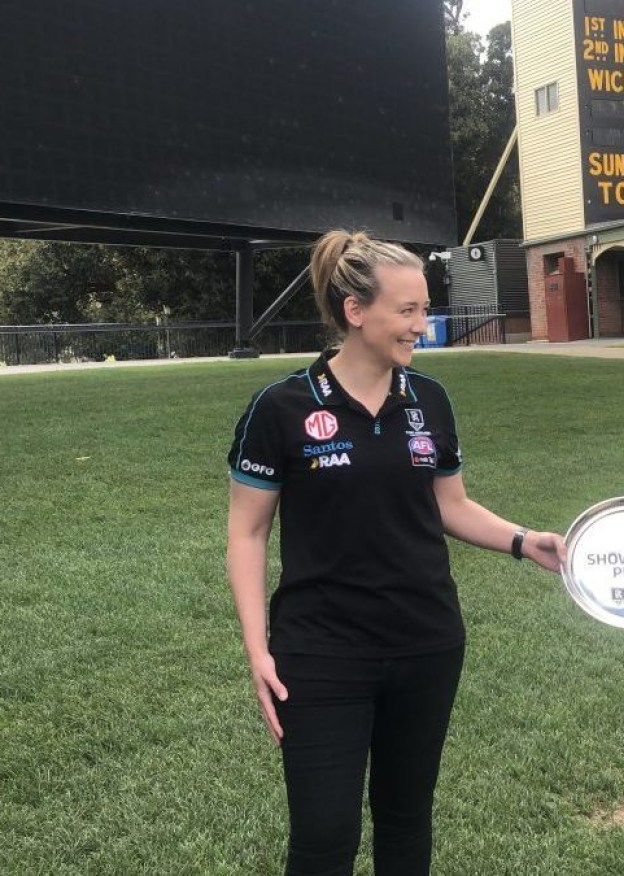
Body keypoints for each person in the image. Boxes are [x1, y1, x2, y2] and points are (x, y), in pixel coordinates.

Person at [226, 230, 565, 875]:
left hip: (426, 642)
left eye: (424, 308)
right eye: (407, 311)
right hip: (322, 651)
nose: (423, 324)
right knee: (324, 835)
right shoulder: (282, 407)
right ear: (355, 312)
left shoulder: (428, 400)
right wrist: (258, 651)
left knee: (406, 822)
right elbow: (247, 533)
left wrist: (526, 541)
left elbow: (451, 505)